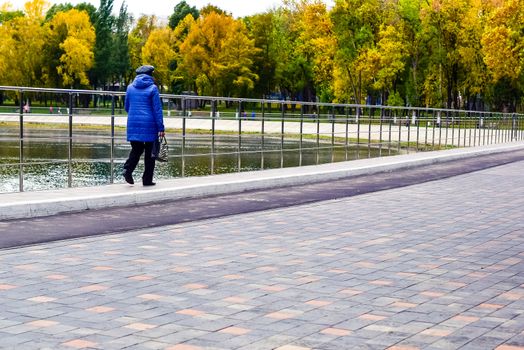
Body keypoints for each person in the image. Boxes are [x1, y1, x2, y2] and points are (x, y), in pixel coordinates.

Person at [122, 65, 165, 186]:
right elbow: (157, 110)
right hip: (150, 124)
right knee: (150, 153)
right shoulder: (153, 88)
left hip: (133, 123)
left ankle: (127, 169)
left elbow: (126, 107)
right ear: (150, 75)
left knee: (136, 149)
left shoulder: (130, 88)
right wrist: (161, 127)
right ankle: (147, 180)